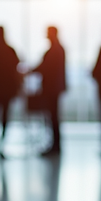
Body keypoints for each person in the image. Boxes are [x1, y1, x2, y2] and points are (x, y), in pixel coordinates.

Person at [32, 26, 66, 156]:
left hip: (52, 88)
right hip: (55, 88)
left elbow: (45, 67)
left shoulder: (54, 50)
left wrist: (31, 71)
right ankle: (55, 144)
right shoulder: (59, 49)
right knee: (53, 116)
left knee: (52, 117)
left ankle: (55, 145)